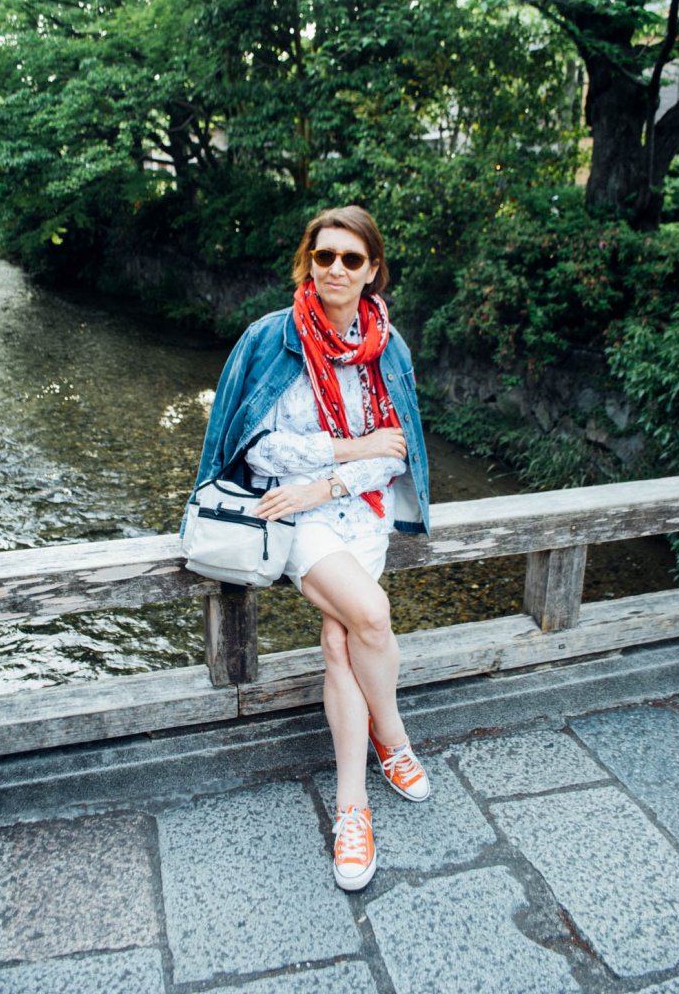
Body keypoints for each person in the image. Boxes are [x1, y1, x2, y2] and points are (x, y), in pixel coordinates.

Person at [191, 205, 431, 891]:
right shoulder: (272, 340)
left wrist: (328, 477)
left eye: (351, 259)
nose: (335, 269)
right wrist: (349, 454)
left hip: (358, 512)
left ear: (373, 271)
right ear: (307, 261)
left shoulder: (389, 345)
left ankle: (363, 789)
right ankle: (384, 759)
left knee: (338, 642)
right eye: (324, 256)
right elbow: (258, 447)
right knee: (372, 616)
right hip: (293, 518)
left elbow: (397, 451)